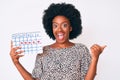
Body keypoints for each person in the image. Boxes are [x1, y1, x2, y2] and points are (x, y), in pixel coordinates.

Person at [10, 2, 106, 80]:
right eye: (55, 25)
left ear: (71, 27)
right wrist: (16, 63)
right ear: (51, 28)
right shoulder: (43, 51)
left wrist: (95, 58)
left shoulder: (81, 49)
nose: (59, 30)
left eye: (64, 25)